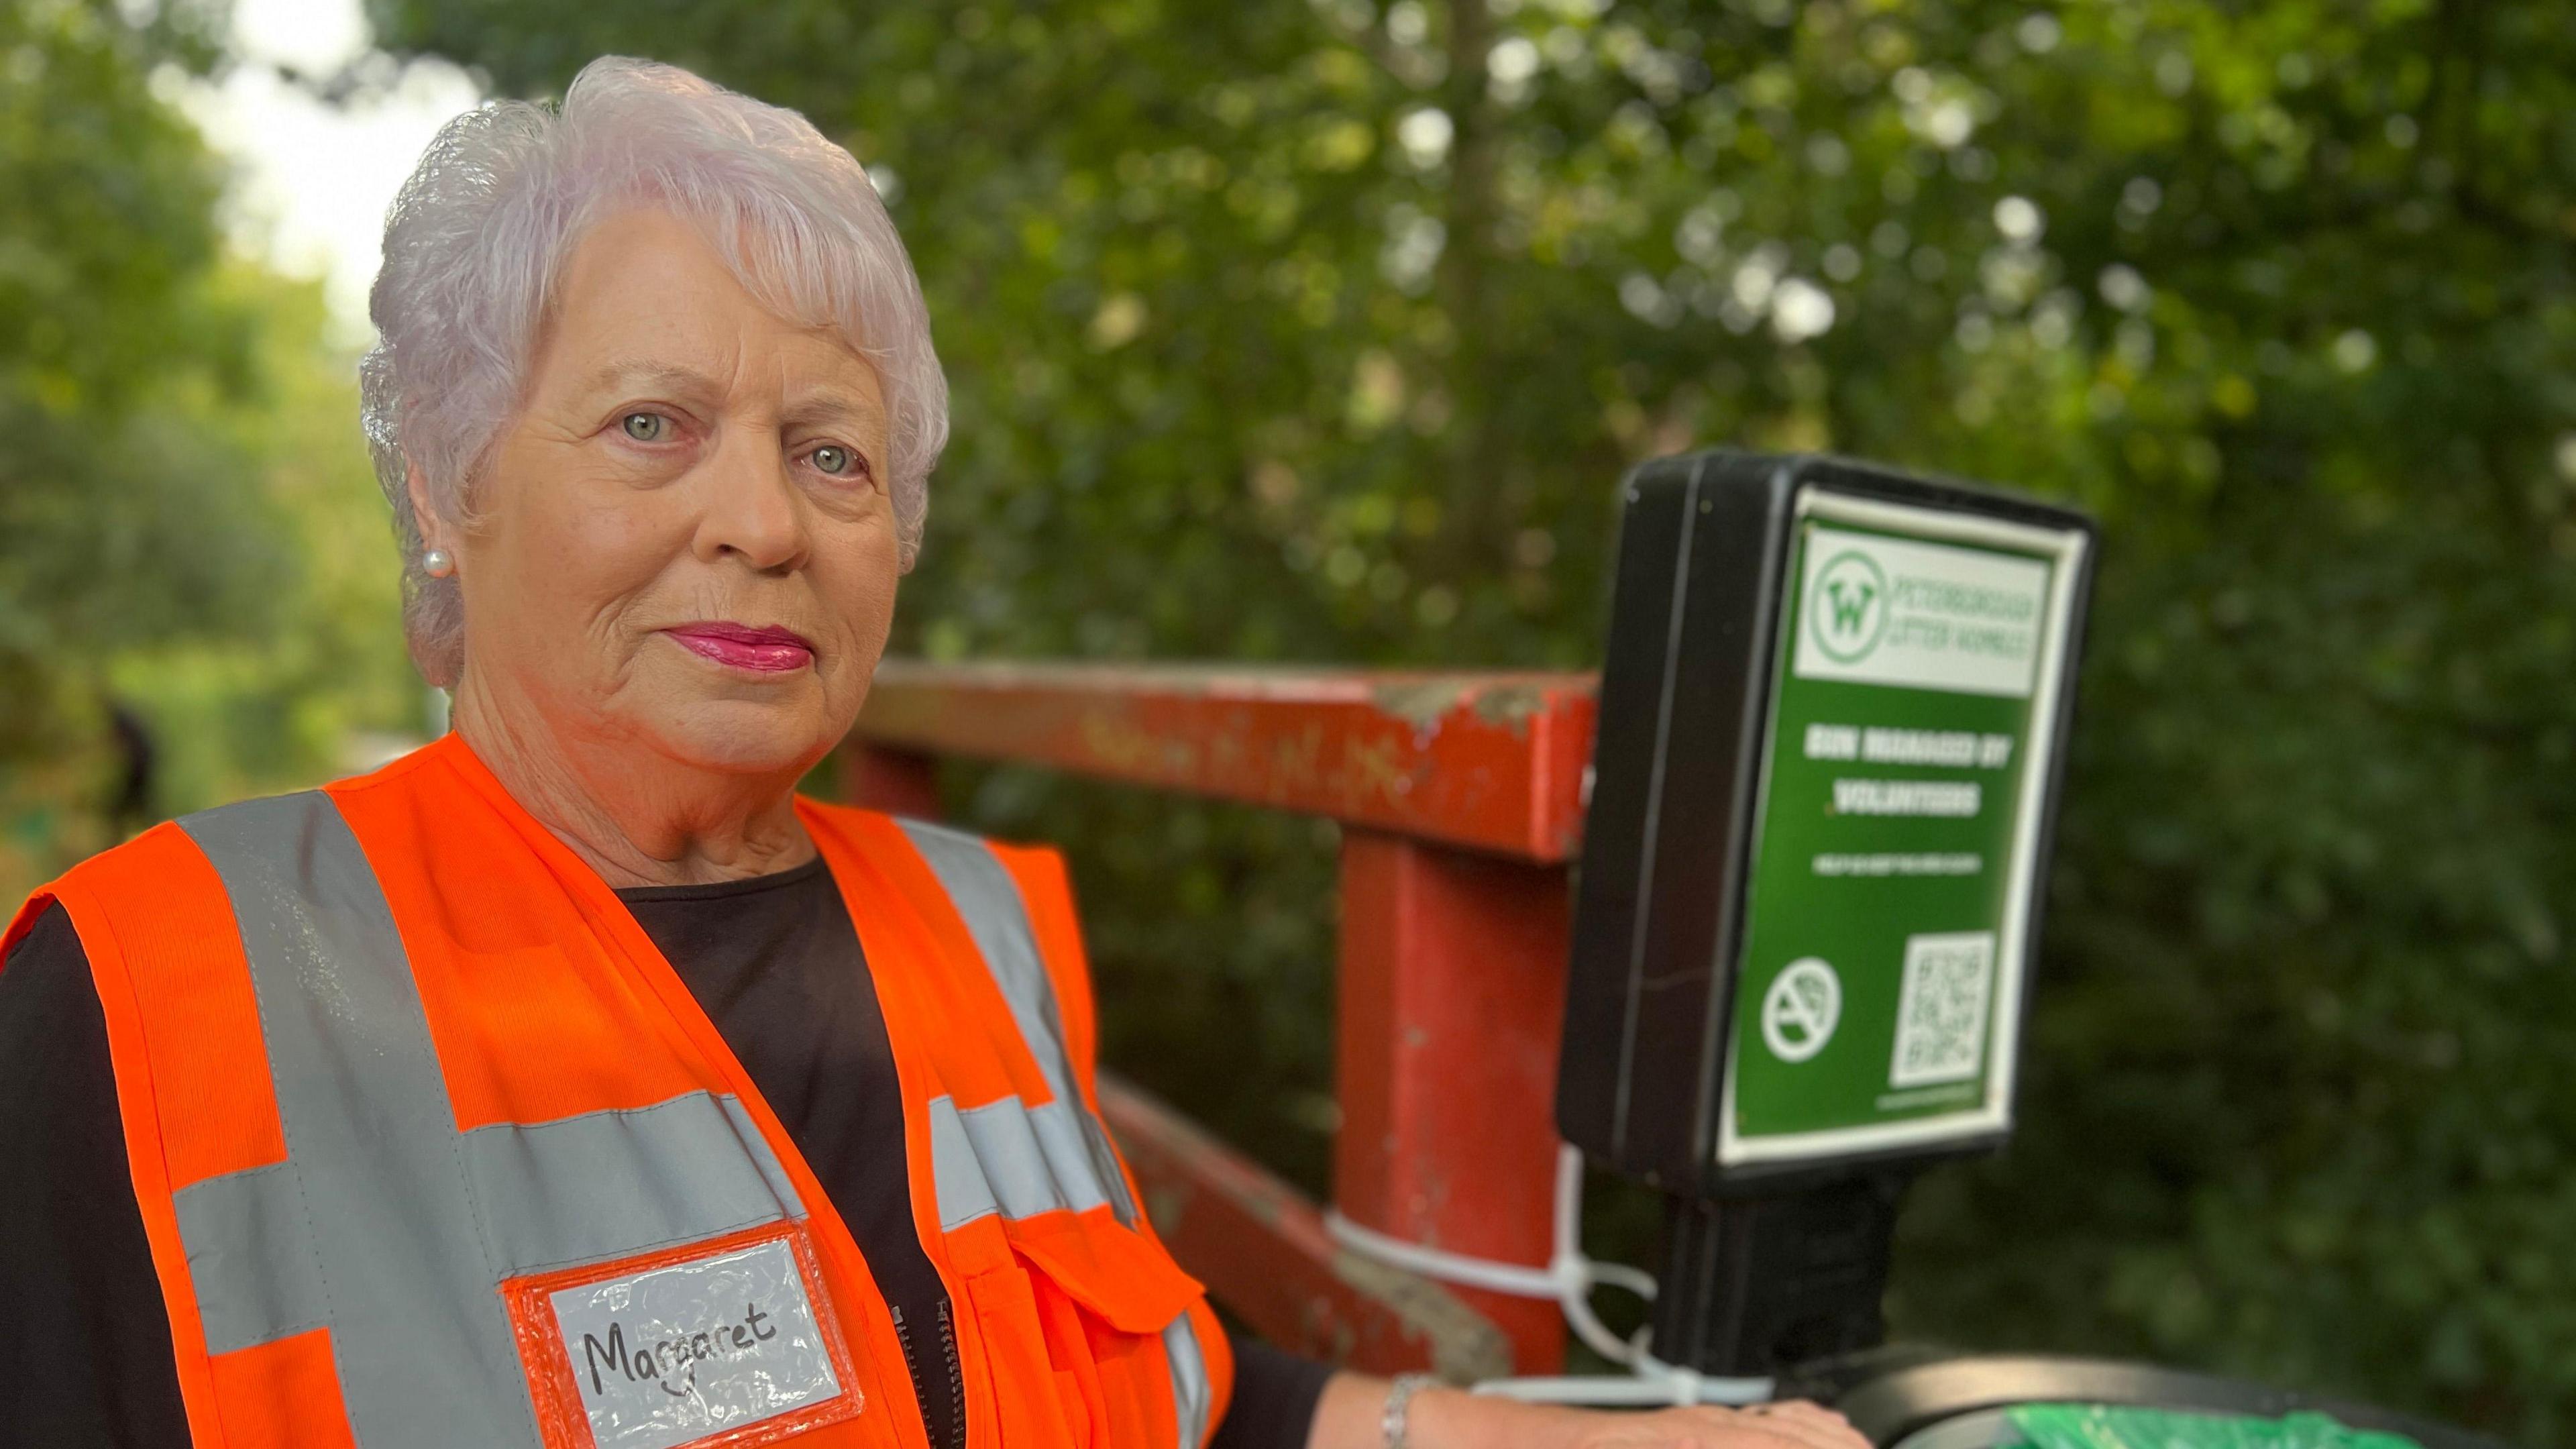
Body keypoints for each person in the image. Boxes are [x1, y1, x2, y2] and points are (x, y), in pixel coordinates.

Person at [0, 57, 1872, 1449]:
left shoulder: (979, 934)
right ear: (450, 483)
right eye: (653, 423)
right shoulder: (148, 997)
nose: (764, 521)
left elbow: (1196, 1403)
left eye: (834, 455)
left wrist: (1657, 1443)